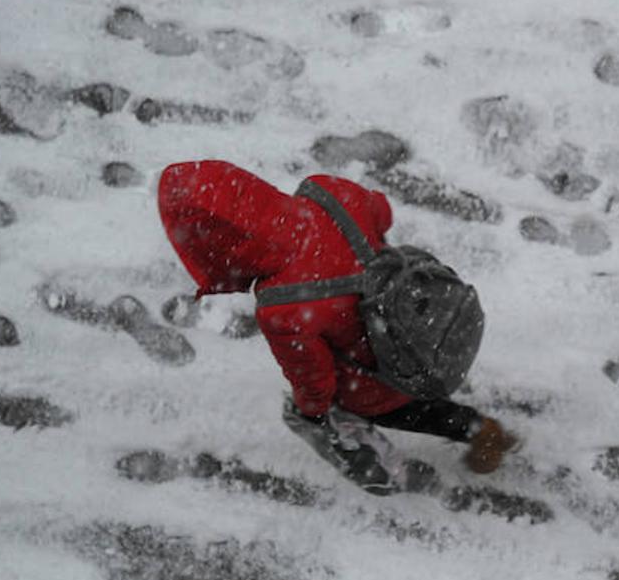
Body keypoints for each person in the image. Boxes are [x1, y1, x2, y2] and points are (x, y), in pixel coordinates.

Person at [157, 159, 517, 494]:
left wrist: (311, 412)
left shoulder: (281, 307)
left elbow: (316, 382)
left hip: (385, 365)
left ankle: (464, 432)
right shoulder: (325, 191)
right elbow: (382, 212)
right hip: (425, 308)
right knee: (391, 377)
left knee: (362, 402)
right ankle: (469, 424)